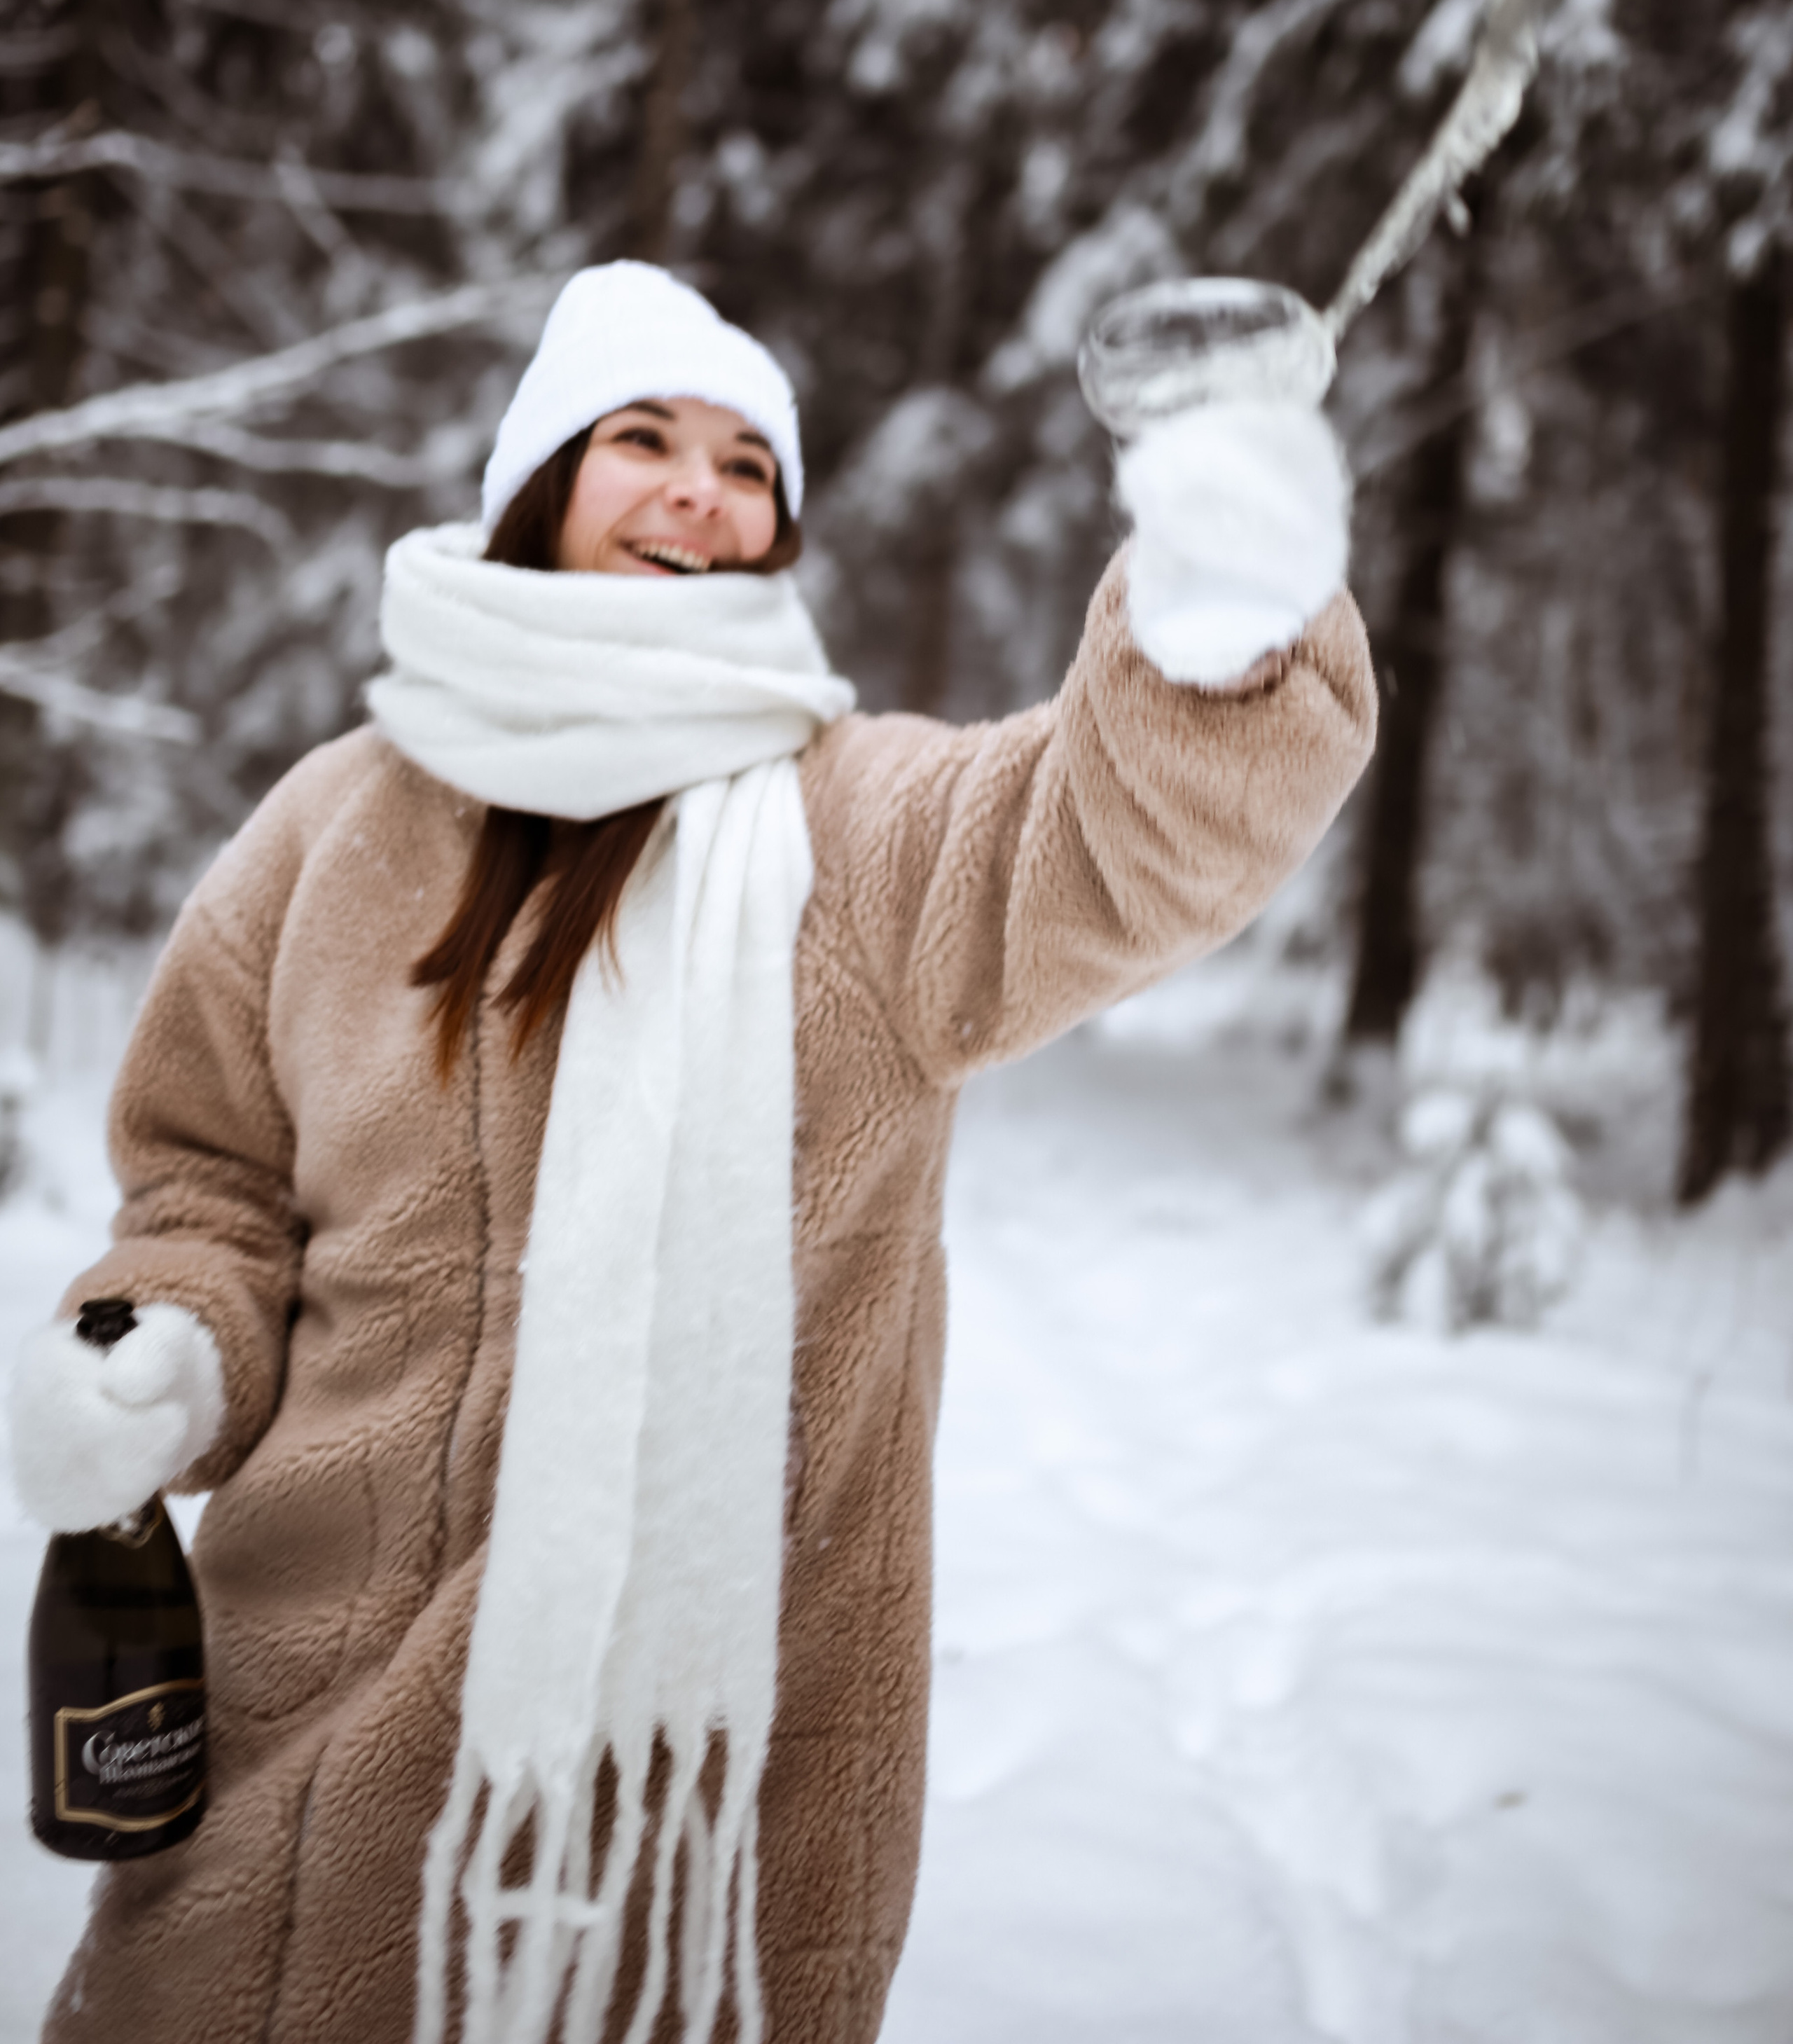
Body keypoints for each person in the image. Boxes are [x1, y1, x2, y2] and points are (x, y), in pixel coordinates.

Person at [8, 261, 1375, 2044]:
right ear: (538, 484)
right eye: (639, 440)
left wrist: (1219, 612)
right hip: (277, 1760)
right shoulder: (332, 825)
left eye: (746, 466)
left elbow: (1110, 836)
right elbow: (210, 1189)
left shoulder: (856, 832)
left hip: (656, 1857)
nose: (696, 491)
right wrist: (166, 1347)